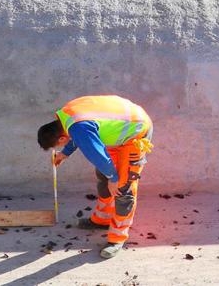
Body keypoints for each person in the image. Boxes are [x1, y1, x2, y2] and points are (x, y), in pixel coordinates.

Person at [38, 95, 154, 258]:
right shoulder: (66, 115)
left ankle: (117, 238)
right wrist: (65, 153)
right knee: (104, 177)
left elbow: (96, 153)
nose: (62, 145)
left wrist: (114, 178)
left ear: (62, 138)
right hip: (118, 133)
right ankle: (102, 219)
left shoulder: (78, 128)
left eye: (61, 144)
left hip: (136, 133)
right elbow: (78, 133)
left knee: (122, 189)